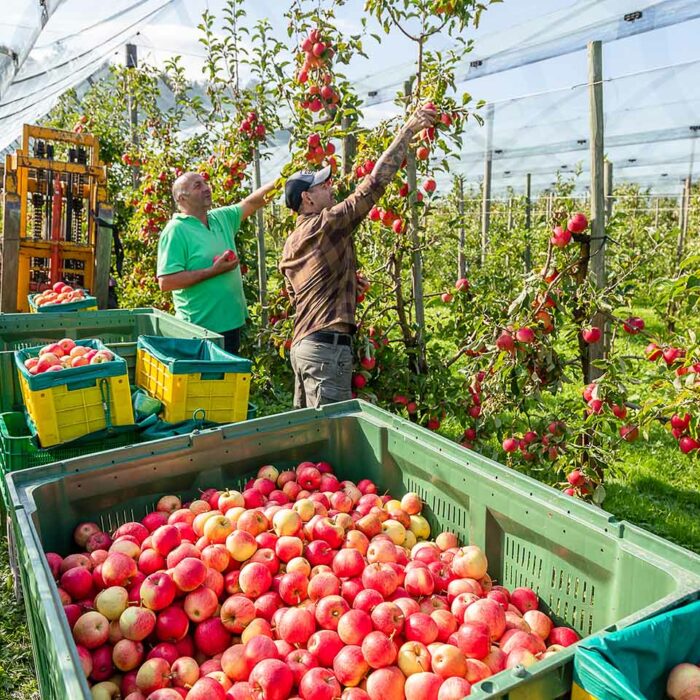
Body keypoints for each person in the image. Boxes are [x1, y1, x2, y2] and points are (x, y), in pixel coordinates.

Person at [280, 104, 438, 408]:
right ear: (307, 198)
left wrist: (345, 282)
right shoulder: (326, 224)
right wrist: (408, 130)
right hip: (326, 352)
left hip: (303, 348)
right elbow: (372, 186)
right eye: (323, 185)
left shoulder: (291, 242)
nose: (331, 187)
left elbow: (299, 297)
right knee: (331, 436)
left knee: (306, 437)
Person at [157, 171, 277, 354]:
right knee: (207, 382)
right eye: (198, 186)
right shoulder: (176, 230)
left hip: (230, 325)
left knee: (227, 380)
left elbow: (253, 202)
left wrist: (283, 180)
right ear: (182, 198)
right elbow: (166, 282)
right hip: (199, 331)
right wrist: (212, 271)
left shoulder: (221, 218)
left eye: (206, 183)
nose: (207, 188)